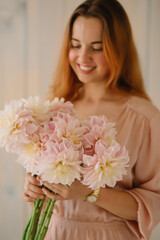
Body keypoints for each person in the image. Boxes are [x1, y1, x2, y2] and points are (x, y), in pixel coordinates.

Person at [23, 0, 160, 239]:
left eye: (97, 47)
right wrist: (34, 187)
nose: (83, 57)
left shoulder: (145, 118)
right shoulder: (52, 108)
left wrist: (89, 192)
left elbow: (153, 205)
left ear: (119, 49)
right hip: (55, 232)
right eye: (76, 45)